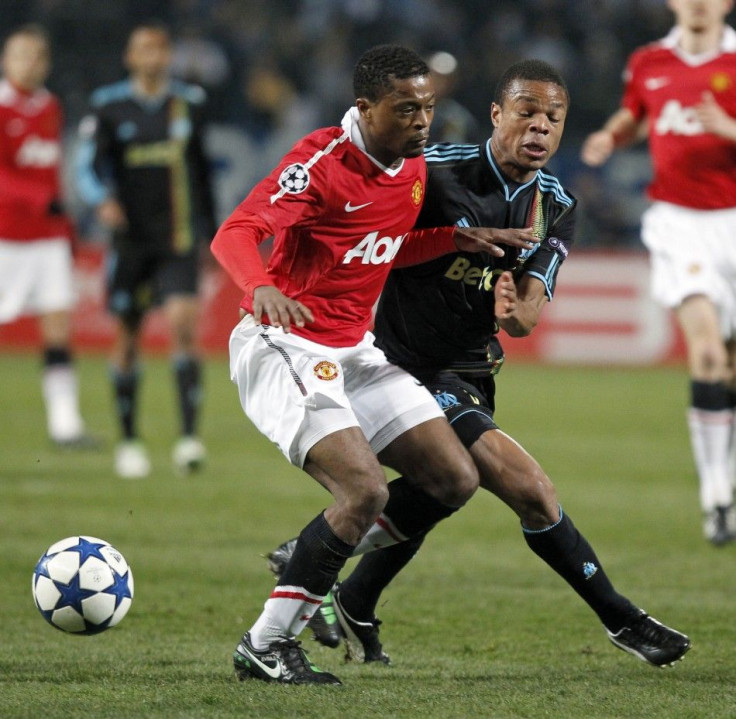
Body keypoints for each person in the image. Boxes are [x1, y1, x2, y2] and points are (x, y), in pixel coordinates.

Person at [270, 59, 692, 670]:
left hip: (472, 370)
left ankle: (347, 586)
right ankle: (624, 621)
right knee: (532, 491)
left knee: (437, 490)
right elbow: (368, 240)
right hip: (399, 364)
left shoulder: (556, 205)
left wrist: (512, 306)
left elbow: (526, 318)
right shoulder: (430, 175)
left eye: (554, 118)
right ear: (497, 114)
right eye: (527, 112)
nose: (540, 127)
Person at [211, 44, 538, 686]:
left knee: (454, 478)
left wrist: (453, 240)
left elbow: (382, 247)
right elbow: (236, 231)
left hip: (354, 349)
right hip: (287, 342)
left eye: (428, 108)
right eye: (406, 108)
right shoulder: (320, 160)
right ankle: (266, 644)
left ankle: (308, 559)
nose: (422, 121)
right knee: (364, 490)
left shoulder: (411, 168)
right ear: (365, 108)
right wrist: (260, 290)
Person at [581, 0, 736, 546]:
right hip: (679, 222)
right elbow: (636, 112)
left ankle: (725, 476)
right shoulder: (649, 60)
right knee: (708, 351)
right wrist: (612, 135)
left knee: (731, 364)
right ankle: (716, 496)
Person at [75, 23, 216, 479]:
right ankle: (129, 441)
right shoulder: (108, 106)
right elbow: (90, 164)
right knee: (127, 338)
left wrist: (211, 232)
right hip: (130, 242)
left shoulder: (188, 105)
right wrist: (103, 200)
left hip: (176, 238)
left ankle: (189, 439)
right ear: (130, 57)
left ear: (169, 56)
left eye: (159, 49)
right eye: (143, 49)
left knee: (182, 325)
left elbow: (201, 172)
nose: (152, 57)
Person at [0, 24, 93, 448]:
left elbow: (50, 173)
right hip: (8, 235)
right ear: (6, 60)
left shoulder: (49, 105)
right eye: (21, 55)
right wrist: (39, 199)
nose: (30, 63)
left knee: (58, 327)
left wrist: (65, 228)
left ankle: (65, 425)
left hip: (48, 238)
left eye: (37, 56)